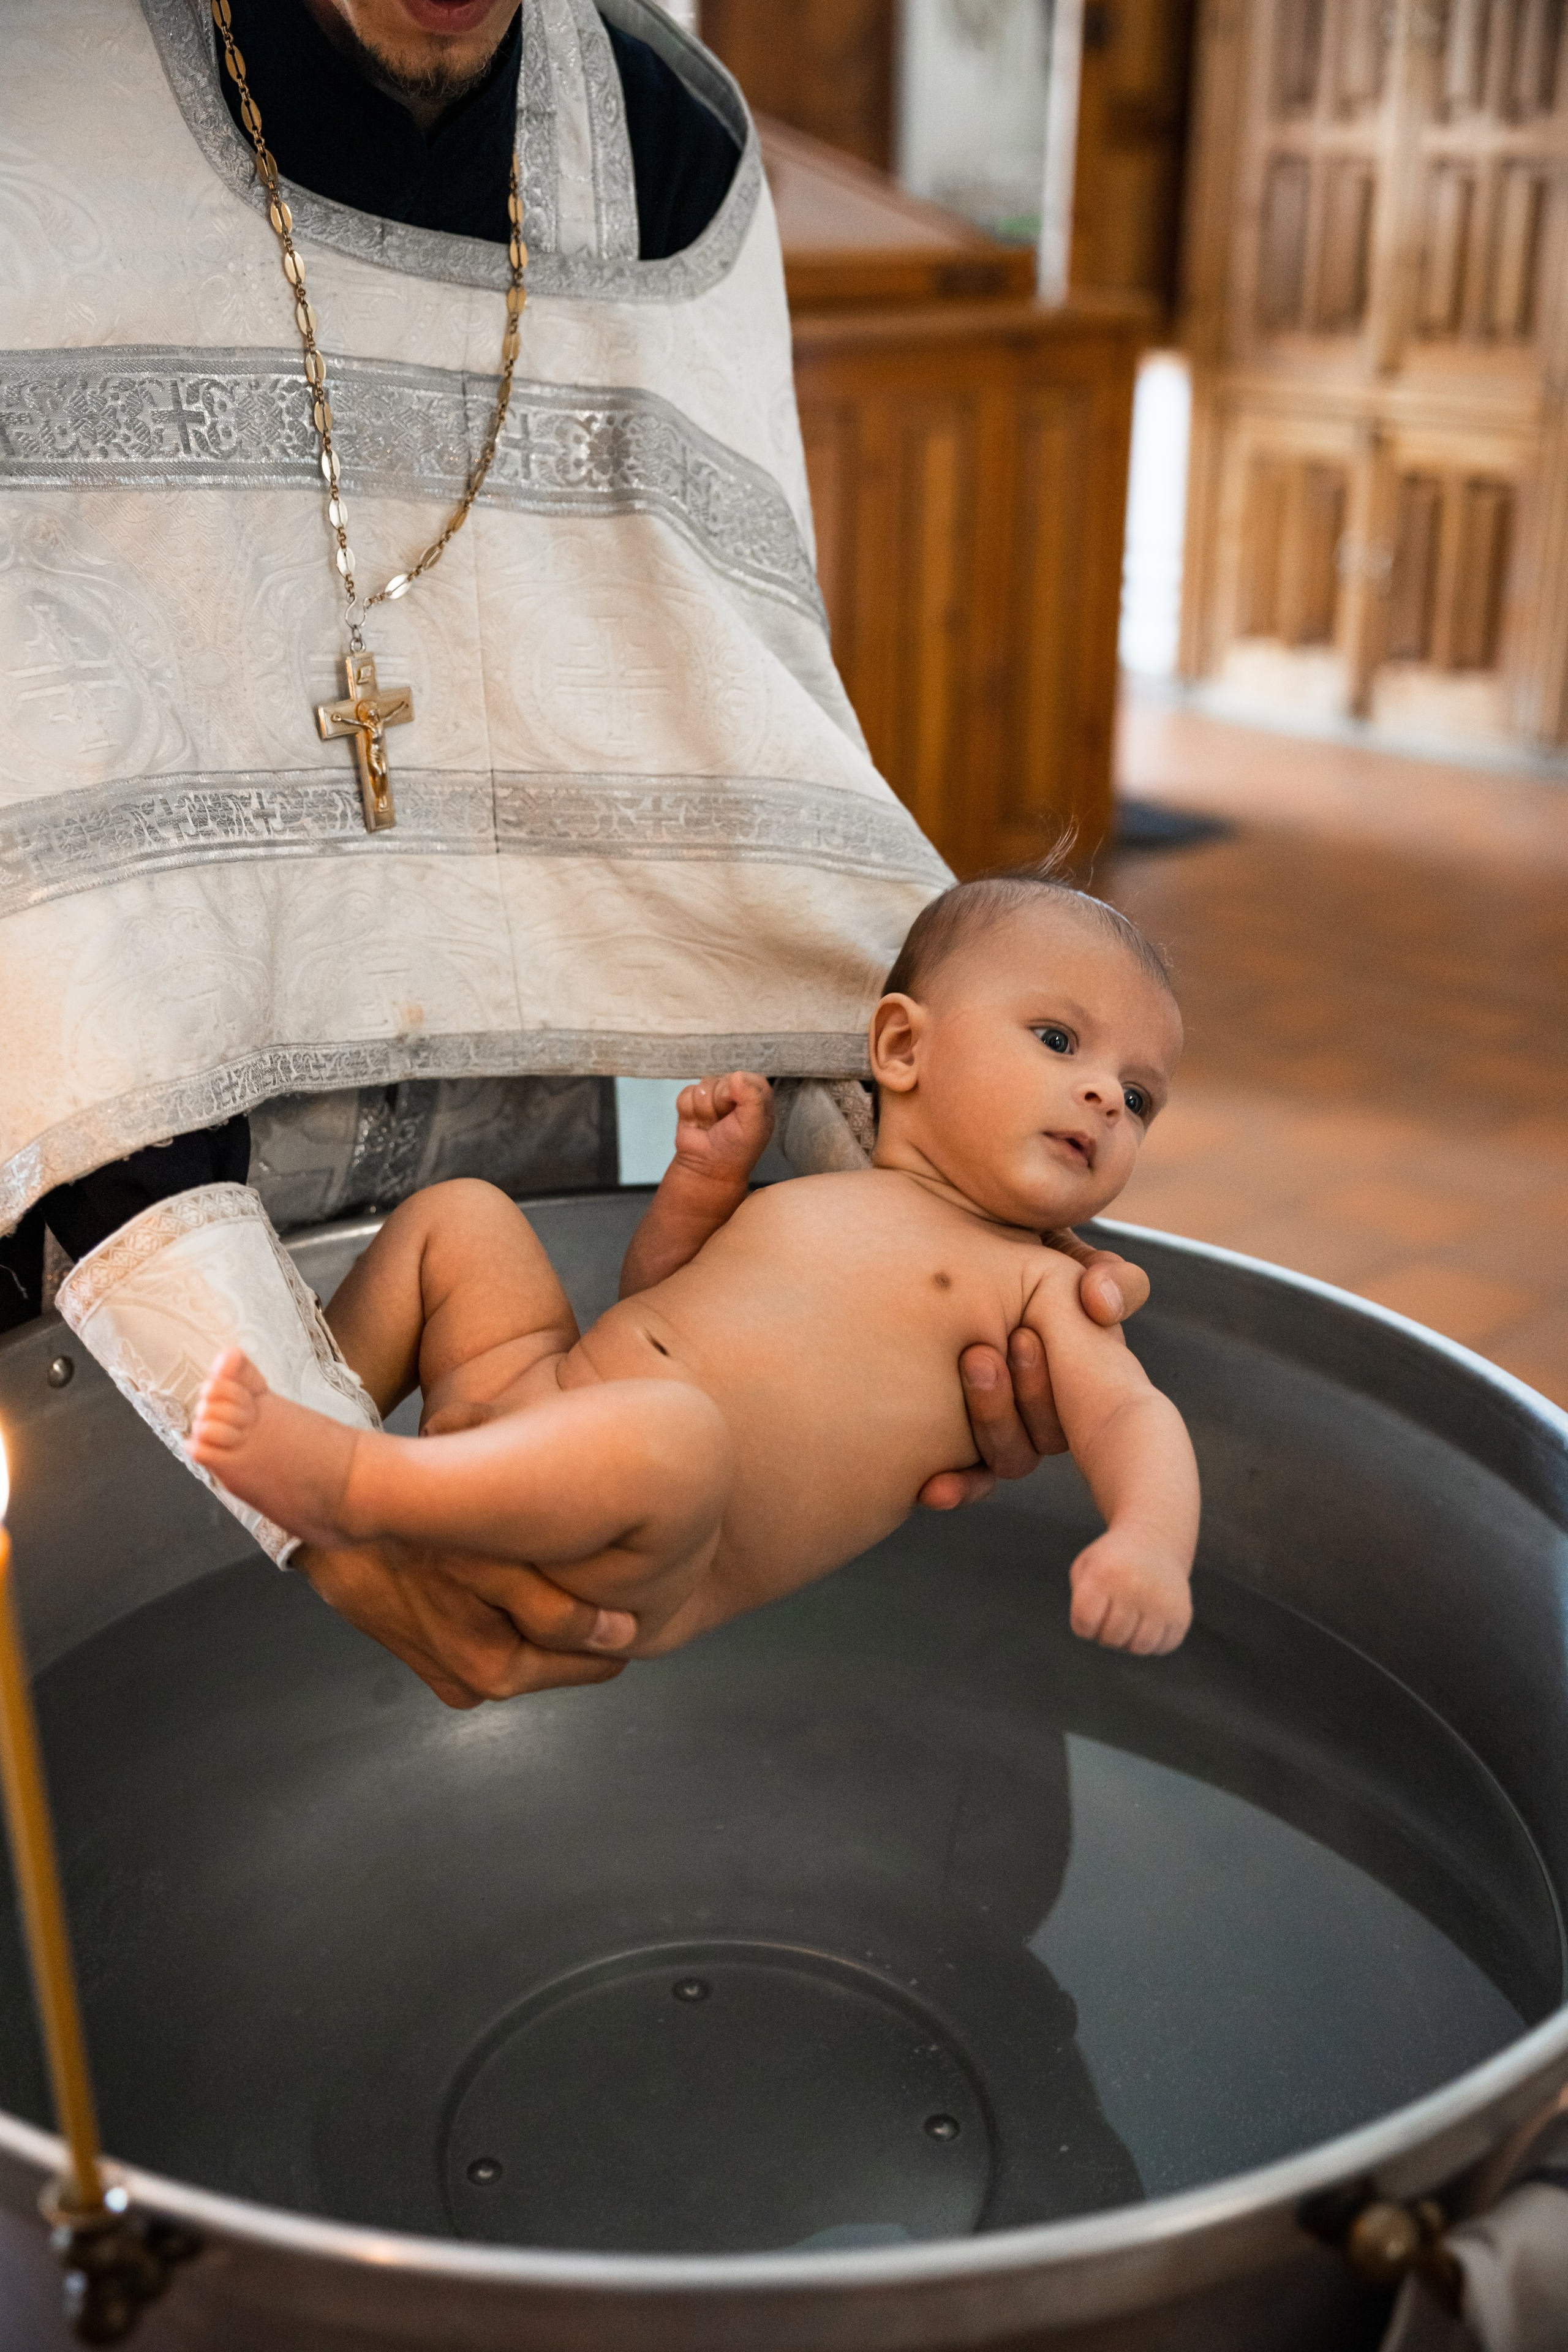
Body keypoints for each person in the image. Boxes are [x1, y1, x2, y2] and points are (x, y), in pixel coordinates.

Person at [9, 0, 1149, 1705]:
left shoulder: (667, 150)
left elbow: (748, 731)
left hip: (526, 1212)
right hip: (76, 1200)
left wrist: (930, 1228)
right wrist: (325, 1484)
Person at [185, 876, 1199, 1675]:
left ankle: (360, 1486)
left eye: (1143, 1097)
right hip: (544, 1402)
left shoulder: (1044, 1288)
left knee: (677, 1434)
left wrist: (1149, 1542)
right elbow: (654, 1300)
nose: (1107, 1095)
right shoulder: (801, 1191)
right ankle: (315, 1407)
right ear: (900, 1047)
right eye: (1059, 1040)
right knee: (462, 1218)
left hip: (652, 1547)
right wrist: (700, 1188)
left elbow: (1128, 1420)